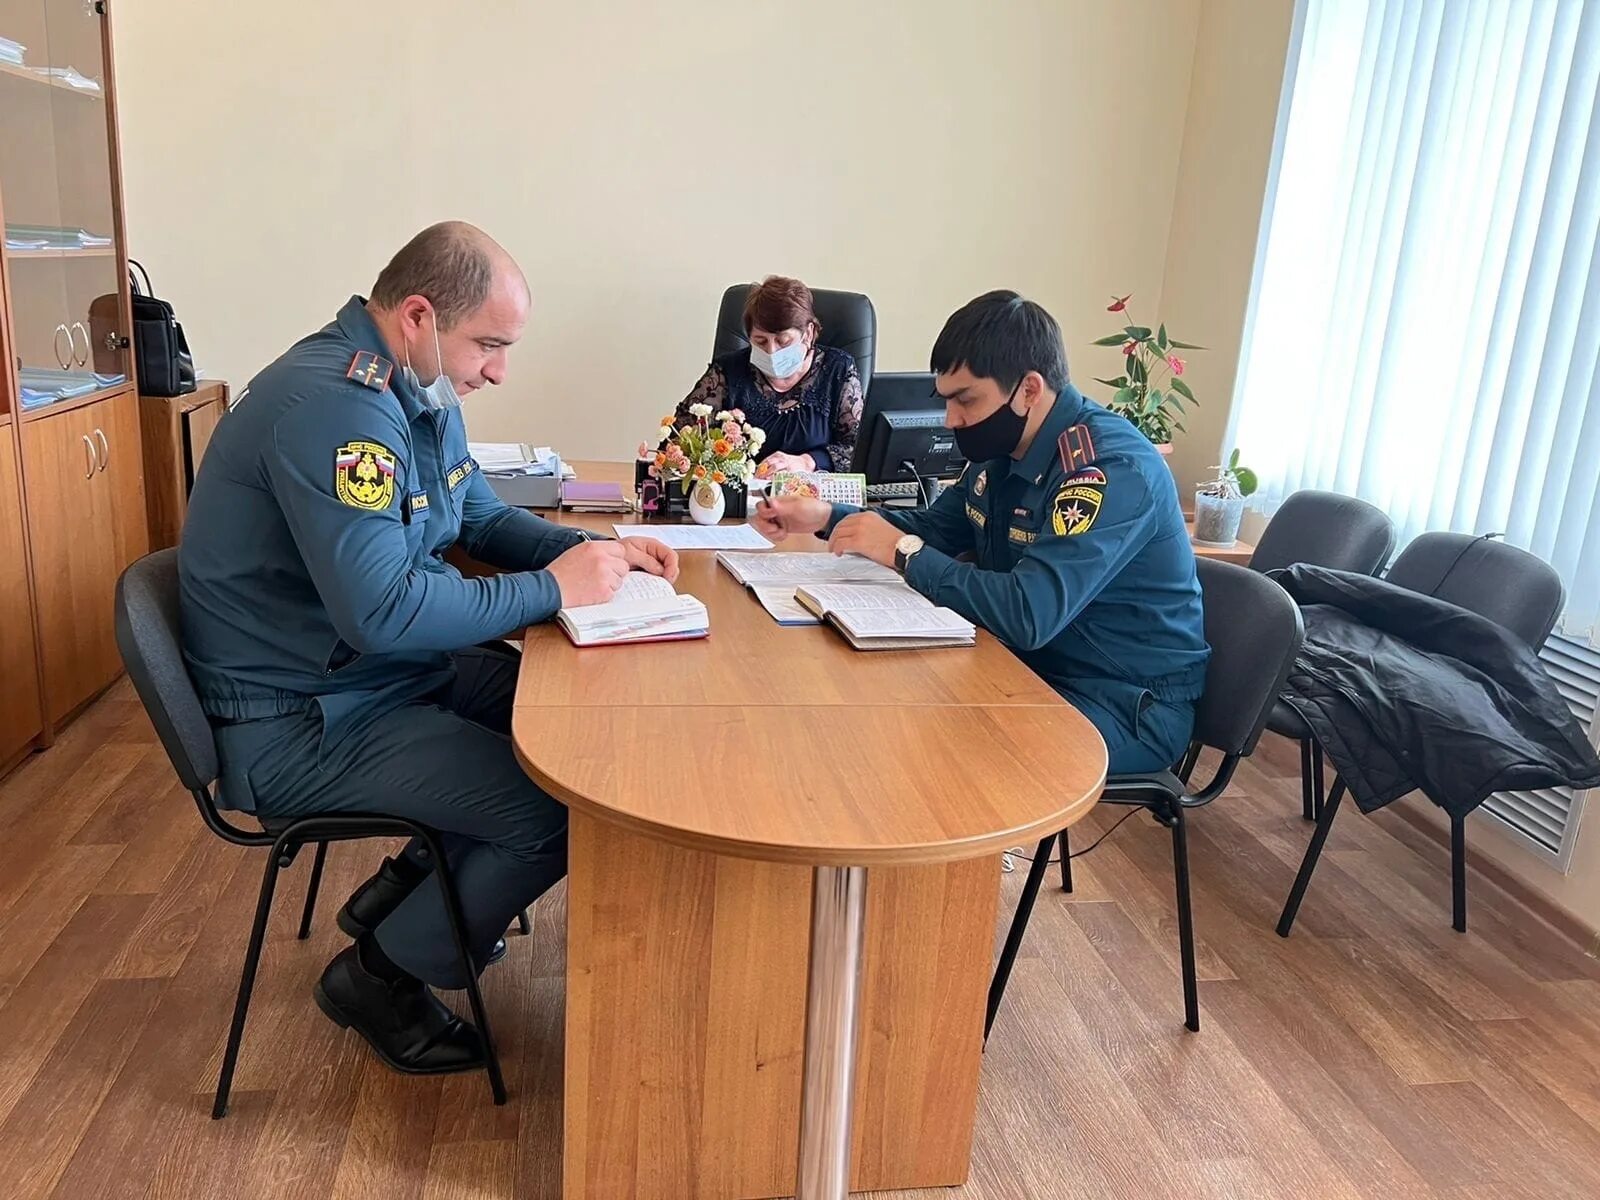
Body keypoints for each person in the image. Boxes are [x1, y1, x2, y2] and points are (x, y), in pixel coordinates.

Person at [179, 222, 678, 1075]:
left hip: (360, 678)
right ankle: (380, 975)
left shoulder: (413, 389)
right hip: (299, 719)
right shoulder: (339, 407)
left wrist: (587, 553)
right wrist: (560, 589)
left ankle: (413, 883)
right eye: (489, 344)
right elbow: (383, 610)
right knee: (557, 806)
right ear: (419, 315)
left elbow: (476, 515)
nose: (497, 369)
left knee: (543, 713)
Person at [752, 290, 1210, 773]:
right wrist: (829, 517)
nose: (951, 420)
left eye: (965, 400)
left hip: (1124, 703)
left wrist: (904, 553)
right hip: (1028, 668)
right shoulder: (1005, 448)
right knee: (868, 702)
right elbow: (936, 529)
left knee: (943, 750)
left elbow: (1028, 613)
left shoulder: (1108, 469)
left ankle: (978, 849)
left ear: (1029, 389)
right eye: (945, 400)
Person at [672, 276, 864, 475]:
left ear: (808, 333)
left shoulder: (838, 370)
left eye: (783, 341)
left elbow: (858, 449)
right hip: (743, 500)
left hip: (814, 500)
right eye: (761, 341)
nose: (771, 351)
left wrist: (808, 462)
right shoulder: (726, 373)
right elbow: (678, 442)